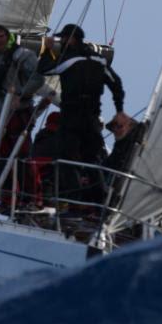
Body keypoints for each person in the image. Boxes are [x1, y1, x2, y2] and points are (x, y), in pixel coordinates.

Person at [38, 23, 126, 204]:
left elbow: (44, 69)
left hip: (72, 117)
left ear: (71, 39)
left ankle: (73, 202)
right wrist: (119, 111)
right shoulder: (99, 60)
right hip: (92, 117)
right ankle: (99, 202)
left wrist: (47, 50)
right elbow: (116, 84)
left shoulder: (69, 60)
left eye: (63, 38)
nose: (61, 41)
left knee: (65, 158)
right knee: (92, 159)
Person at [0, 25, 45, 159]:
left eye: (1, 36)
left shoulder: (23, 55)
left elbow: (38, 78)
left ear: (8, 38)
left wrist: (20, 95)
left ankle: (20, 176)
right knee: (0, 154)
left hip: (18, 112)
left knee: (19, 154)